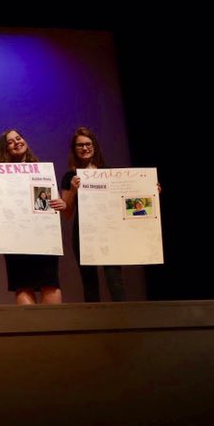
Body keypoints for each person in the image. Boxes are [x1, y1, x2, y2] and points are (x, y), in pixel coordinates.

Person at [0, 129, 65, 305]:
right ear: (5, 149)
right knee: (23, 285)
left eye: (19, 138)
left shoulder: (42, 171)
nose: (16, 142)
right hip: (15, 238)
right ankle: (31, 331)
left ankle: (56, 330)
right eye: (10, 142)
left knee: (50, 284)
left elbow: (45, 203)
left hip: (43, 235)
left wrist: (61, 202)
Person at [60, 126, 126, 302]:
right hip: (83, 233)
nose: (84, 148)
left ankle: (125, 324)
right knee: (89, 284)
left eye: (88, 144)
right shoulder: (69, 176)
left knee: (115, 279)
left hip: (108, 231)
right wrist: (74, 190)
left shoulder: (108, 173)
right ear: (74, 149)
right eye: (79, 145)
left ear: (94, 146)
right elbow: (67, 212)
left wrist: (149, 189)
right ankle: (95, 326)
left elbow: (125, 200)